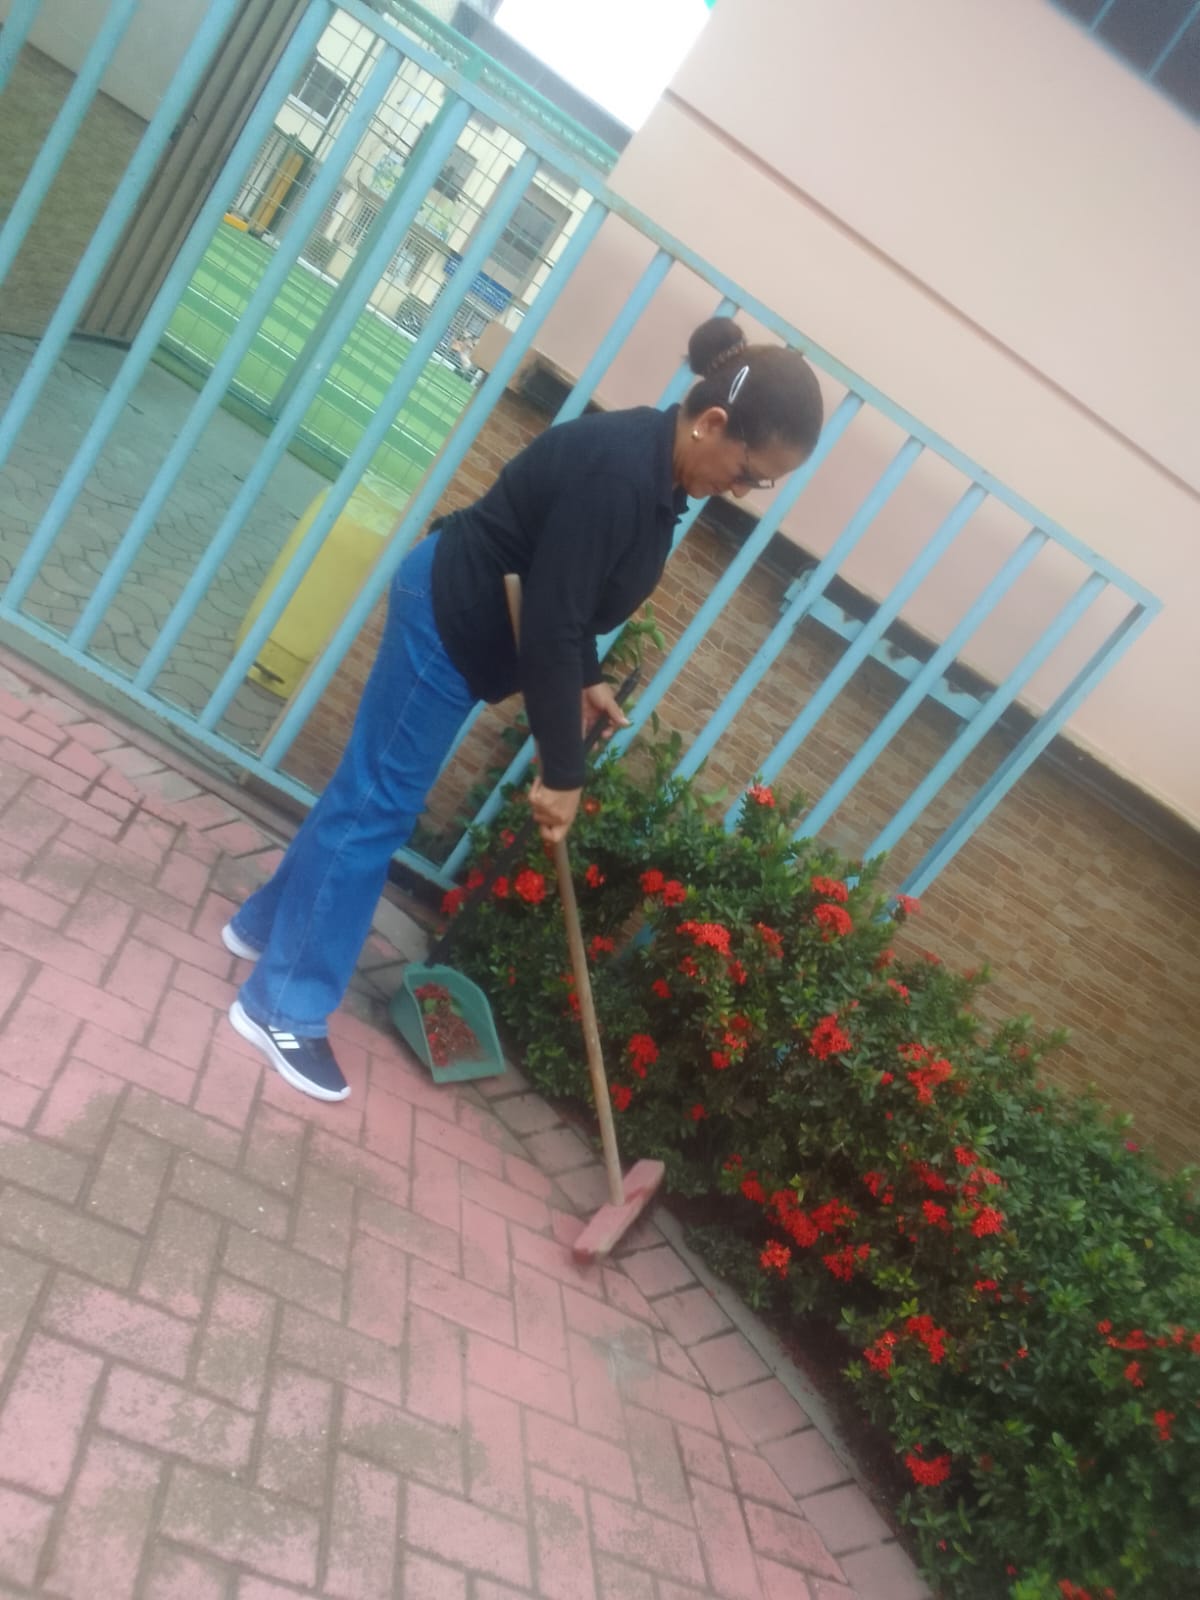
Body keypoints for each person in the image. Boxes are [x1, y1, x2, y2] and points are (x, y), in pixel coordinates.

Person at [223, 317, 824, 1101]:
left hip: (468, 621)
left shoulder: (655, 470)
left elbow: (562, 589)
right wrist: (563, 772)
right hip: (449, 621)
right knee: (377, 807)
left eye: (760, 484)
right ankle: (281, 1006)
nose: (744, 491)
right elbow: (548, 620)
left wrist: (587, 676)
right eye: (751, 473)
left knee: (369, 796)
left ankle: (266, 926)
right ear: (713, 423)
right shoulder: (622, 476)